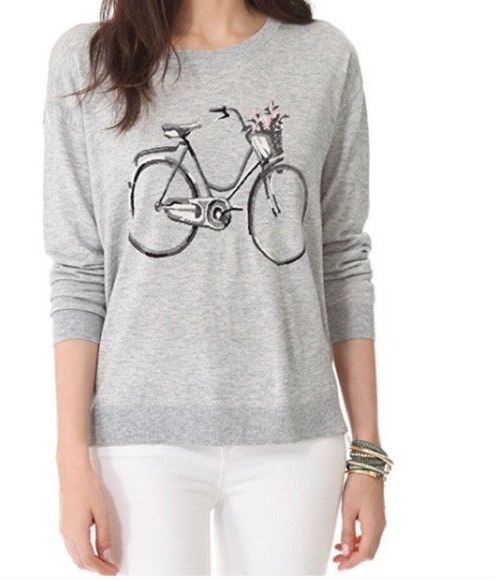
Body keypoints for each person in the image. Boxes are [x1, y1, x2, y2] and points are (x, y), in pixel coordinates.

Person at [42, 0, 393, 575]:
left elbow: (341, 261)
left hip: (295, 434)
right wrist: (71, 464)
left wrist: (368, 456)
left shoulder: (324, 56)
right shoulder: (89, 60)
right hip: (139, 439)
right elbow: (79, 274)